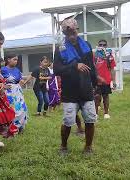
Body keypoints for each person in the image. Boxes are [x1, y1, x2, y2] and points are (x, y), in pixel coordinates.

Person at [53, 18, 98, 155]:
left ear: (77, 30)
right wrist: (74, 65)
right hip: (69, 92)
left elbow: (92, 66)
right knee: (67, 121)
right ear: (64, 33)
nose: (71, 35)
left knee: (90, 120)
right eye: (68, 33)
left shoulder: (86, 45)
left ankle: (88, 147)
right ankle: (63, 146)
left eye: (73, 31)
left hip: (86, 90)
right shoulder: (60, 48)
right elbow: (57, 70)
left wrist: (95, 84)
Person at [1, 54, 28, 134]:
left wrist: (22, 82)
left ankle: (20, 126)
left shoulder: (17, 70)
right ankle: (10, 128)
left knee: (21, 109)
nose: (16, 61)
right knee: (11, 110)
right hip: (8, 93)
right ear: (8, 60)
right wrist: (4, 86)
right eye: (14, 59)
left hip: (17, 92)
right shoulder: (2, 70)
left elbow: (19, 79)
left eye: (17, 60)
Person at [94, 39, 116, 119]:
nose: (102, 46)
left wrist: (113, 81)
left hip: (106, 80)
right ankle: (95, 113)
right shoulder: (95, 55)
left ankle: (106, 113)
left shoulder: (109, 56)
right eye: (100, 45)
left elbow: (112, 69)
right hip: (96, 80)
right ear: (98, 45)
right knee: (96, 97)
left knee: (106, 96)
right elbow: (92, 67)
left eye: (104, 45)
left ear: (106, 46)